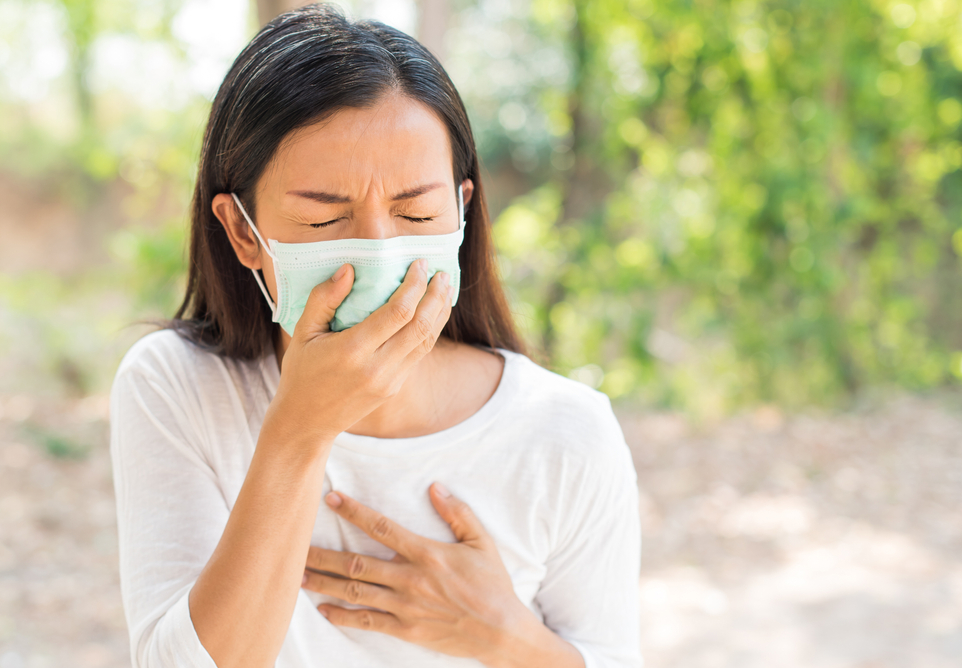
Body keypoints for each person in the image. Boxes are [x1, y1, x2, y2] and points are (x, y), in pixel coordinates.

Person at [109, 5, 641, 668]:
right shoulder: (177, 388)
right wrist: (300, 428)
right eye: (326, 220)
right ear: (245, 232)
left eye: (417, 211)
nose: (382, 253)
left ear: (464, 210)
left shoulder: (566, 430)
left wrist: (506, 639)